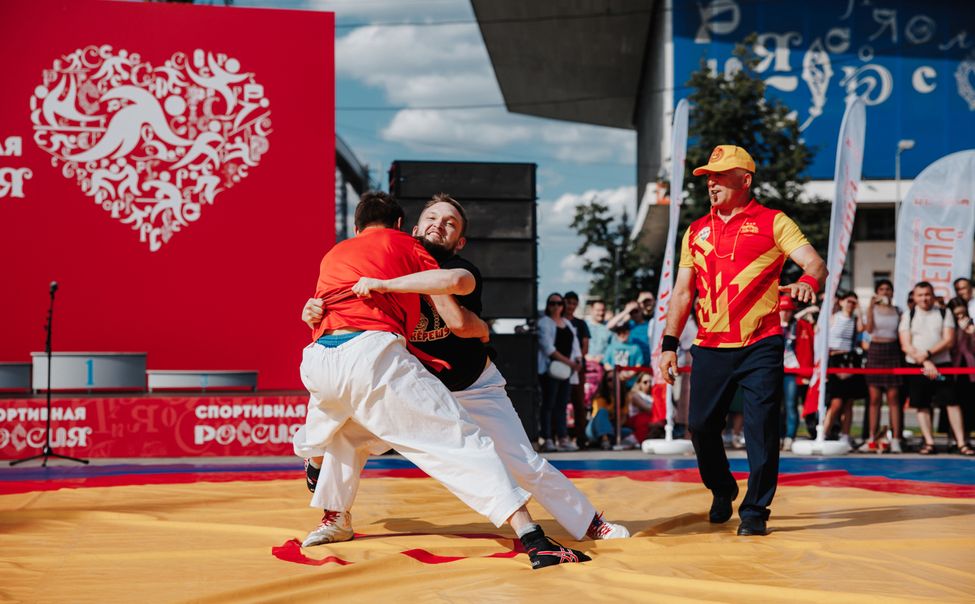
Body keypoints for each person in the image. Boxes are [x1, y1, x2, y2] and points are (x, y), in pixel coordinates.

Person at [293, 191, 590, 569]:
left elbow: (459, 315)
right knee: (454, 443)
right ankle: (532, 536)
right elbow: (324, 310)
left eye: (450, 223)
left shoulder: (352, 254)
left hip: (460, 383)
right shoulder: (393, 251)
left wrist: (386, 287)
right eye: (433, 218)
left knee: (340, 432)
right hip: (383, 364)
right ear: (409, 227)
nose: (440, 225)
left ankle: (315, 460)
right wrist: (315, 310)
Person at [658, 145, 826, 537]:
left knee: (762, 429)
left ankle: (755, 511)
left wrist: (806, 282)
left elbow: (816, 263)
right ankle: (722, 488)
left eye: (719, 175)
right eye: (707, 177)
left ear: (745, 180)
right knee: (700, 427)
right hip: (710, 344)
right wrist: (668, 343)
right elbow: (682, 292)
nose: (711, 183)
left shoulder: (774, 222)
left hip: (760, 342)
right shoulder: (696, 230)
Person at [898, 281, 970, 455]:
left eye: (927, 294)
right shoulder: (909, 314)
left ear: (933, 295)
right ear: (914, 297)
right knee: (921, 404)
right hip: (917, 366)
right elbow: (905, 344)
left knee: (951, 402)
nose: (924, 298)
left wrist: (929, 355)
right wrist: (924, 361)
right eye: (920, 295)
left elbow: (948, 340)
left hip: (941, 366)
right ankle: (929, 442)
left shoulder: (944, 313)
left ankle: (961, 443)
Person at [538, 292, 582, 452]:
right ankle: (547, 437)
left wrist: (578, 360)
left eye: (559, 303)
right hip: (551, 370)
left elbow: (576, 344)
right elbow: (548, 348)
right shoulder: (544, 322)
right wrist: (569, 362)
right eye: (552, 303)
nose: (556, 306)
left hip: (567, 371)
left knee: (562, 405)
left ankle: (563, 438)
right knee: (548, 404)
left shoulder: (567, 323)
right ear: (548, 305)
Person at [863, 279, 904, 453]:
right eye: (882, 289)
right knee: (874, 398)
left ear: (892, 292)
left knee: (893, 398)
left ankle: (895, 438)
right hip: (876, 350)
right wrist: (870, 308)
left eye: (888, 289)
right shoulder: (872, 309)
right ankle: (872, 437)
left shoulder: (898, 311)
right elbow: (869, 330)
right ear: (877, 292)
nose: (885, 292)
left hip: (893, 350)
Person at [823, 290, 866, 448]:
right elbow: (822, 335)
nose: (850, 304)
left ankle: (845, 435)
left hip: (850, 360)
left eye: (853, 302)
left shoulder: (855, 320)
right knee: (836, 402)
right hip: (834, 359)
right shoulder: (834, 318)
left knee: (849, 402)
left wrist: (860, 309)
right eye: (848, 301)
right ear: (841, 302)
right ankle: (824, 432)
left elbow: (862, 328)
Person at [779, 294, 814, 451]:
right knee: (772, 405)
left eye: (788, 310)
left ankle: (789, 437)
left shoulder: (800, 325)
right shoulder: (771, 325)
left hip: (793, 370)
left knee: (791, 405)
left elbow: (810, 342)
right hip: (773, 370)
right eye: (782, 310)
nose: (785, 313)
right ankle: (776, 436)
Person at [564, 291, 591, 449]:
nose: (571, 306)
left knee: (579, 402)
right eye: (568, 303)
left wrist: (577, 360)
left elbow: (585, 345)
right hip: (561, 367)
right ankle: (560, 434)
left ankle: (580, 437)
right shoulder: (558, 321)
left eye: (574, 303)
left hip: (578, 367)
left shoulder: (581, 324)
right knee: (560, 403)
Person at [948, 297, 975, 441]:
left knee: (969, 404)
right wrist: (960, 331)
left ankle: (967, 436)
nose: (960, 317)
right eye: (957, 314)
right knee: (953, 403)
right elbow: (951, 347)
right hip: (952, 370)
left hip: (969, 370)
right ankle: (954, 438)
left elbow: (972, 349)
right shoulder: (949, 326)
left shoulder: (971, 325)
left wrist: (971, 335)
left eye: (963, 313)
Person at [626, 372, 663, 442]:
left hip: (650, 417)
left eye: (650, 382)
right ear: (639, 383)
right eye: (645, 382)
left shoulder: (652, 395)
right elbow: (647, 408)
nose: (648, 384)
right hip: (637, 419)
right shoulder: (635, 395)